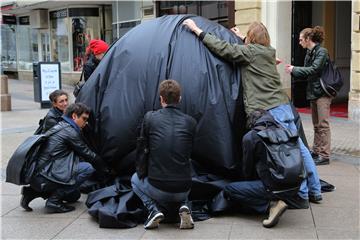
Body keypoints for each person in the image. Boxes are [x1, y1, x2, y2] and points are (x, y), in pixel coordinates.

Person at [183, 19, 322, 207]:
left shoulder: (250, 53)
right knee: (300, 149)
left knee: (287, 152)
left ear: (252, 38)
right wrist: (241, 35)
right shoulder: (269, 51)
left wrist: (197, 30)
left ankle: (302, 194)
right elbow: (253, 47)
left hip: (270, 110)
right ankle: (314, 190)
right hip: (283, 105)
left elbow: (223, 48)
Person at [131, 80, 197, 230]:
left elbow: (141, 149)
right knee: (186, 166)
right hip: (184, 188)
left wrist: (142, 172)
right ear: (179, 99)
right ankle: (185, 206)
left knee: (134, 179)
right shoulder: (191, 122)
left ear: (161, 99)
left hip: (157, 187)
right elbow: (189, 151)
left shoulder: (150, 118)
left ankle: (153, 210)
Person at [20, 103, 107, 213]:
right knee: (88, 168)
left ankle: (31, 192)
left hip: (37, 175)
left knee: (74, 196)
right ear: (74, 116)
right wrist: (106, 168)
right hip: (45, 175)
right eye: (84, 119)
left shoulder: (61, 125)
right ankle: (54, 201)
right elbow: (88, 154)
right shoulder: (70, 132)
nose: (86, 122)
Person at [285, 26, 330, 165]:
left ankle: (324, 155)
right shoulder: (309, 53)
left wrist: (295, 69)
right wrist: (294, 70)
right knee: (316, 124)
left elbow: (314, 69)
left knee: (323, 124)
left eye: (300, 39)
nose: (299, 42)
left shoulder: (322, 51)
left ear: (308, 39)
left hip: (322, 92)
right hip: (313, 92)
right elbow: (307, 72)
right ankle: (317, 151)